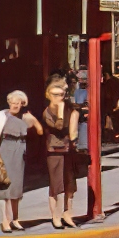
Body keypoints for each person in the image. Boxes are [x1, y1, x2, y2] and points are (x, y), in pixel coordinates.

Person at [0, 90, 42, 233]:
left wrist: (33, 120)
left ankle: (15, 219)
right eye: (13, 103)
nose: (15, 106)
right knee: (4, 187)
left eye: (18, 103)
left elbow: (40, 131)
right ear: (8, 102)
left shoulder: (25, 117)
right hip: (5, 151)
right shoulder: (1, 116)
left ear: (22, 104)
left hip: (19, 151)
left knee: (16, 187)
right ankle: (5, 221)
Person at [40, 82, 80, 229]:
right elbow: (58, 126)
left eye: (62, 95)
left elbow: (73, 131)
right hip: (54, 151)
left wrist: (73, 115)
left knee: (70, 184)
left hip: (68, 150)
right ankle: (55, 216)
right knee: (56, 185)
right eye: (55, 95)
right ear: (48, 95)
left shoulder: (70, 110)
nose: (59, 98)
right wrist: (62, 111)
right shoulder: (47, 112)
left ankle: (67, 213)